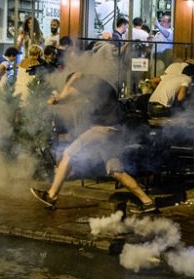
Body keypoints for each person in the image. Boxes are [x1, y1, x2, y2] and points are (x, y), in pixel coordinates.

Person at [31, 72, 155, 214]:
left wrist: (63, 90)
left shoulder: (86, 82)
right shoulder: (98, 85)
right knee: (115, 170)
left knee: (68, 153)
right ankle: (147, 202)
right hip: (115, 131)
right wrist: (58, 99)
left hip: (103, 130)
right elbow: (66, 98)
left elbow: (65, 94)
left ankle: (51, 196)